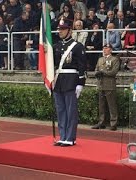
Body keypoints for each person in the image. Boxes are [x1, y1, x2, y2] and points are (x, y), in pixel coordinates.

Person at [53, 18, 87, 147]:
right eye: (59, 29)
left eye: (63, 29)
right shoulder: (56, 46)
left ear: (70, 30)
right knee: (61, 110)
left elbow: (82, 66)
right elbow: (53, 64)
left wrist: (80, 83)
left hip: (71, 81)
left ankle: (70, 137)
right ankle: (62, 136)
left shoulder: (77, 47)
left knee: (70, 110)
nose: (60, 31)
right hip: (59, 80)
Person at [91, 44, 120, 131]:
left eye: (106, 48)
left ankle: (113, 123)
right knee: (101, 105)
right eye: (103, 48)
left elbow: (114, 71)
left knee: (112, 105)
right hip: (101, 84)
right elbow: (96, 69)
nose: (104, 50)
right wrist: (97, 73)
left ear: (110, 50)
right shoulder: (100, 59)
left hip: (110, 84)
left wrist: (103, 72)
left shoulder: (114, 59)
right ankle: (101, 122)